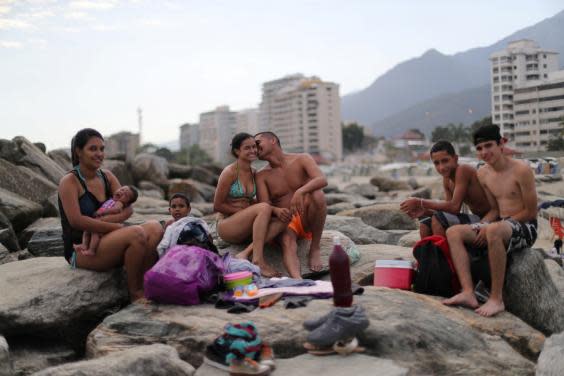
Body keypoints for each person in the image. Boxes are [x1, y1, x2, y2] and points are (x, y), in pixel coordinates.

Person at [58, 128, 164, 302]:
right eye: (93, 149)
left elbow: (128, 209)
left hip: (109, 239)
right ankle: (135, 293)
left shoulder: (107, 176)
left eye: (102, 149)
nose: (99, 154)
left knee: (154, 227)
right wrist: (115, 226)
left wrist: (108, 222)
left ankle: (147, 284)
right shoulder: (69, 182)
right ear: (78, 151)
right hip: (82, 250)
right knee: (136, 233)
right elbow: (76, 221)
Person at [443, 125, 538, 317]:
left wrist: (493, 227)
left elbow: (531, 211)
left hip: (526, 226)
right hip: (499, 224)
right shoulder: (483, 174)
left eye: (489, 146)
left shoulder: (522, 170)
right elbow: (494, 209)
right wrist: (482, 225)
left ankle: (496, 299)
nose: (484, 152)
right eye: (479, 148)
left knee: (494, 230)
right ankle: (468, 292)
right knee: (454, 232)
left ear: (501, 143)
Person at [254, 131, 328, 279]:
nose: (255, 148)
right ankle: (298, 281)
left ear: (273, 140)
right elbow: (264, 205)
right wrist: (277, 210)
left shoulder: (302, 159)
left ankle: (314, 248)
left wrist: (300, 191)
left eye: (258, 143)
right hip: (285, 223)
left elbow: (322, 179)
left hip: (306, 218)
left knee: (318, 195)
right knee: (288, 241)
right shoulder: (261, 175)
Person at [213, 133, 286, 277]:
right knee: (265, 207)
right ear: (237, 151)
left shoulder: (254, 173)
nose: (253, 150)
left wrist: (277, 210)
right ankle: (258, 260)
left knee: (284, 218)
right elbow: (217, 205)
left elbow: (255, 203)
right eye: (247, 148)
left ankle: (245, 253)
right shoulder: (229, 172)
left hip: (245, 226)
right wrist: (239, 210)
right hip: (227, 225)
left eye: (254, 146)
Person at [400, 140, 491, 238]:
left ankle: (442, 252)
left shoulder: (463, 170)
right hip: (477, 218)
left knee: (438, 219)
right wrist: (425, 211)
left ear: (455, 158)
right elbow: (450, 211)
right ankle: (431, 251)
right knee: (425, 222)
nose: (441, 167)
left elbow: (454, 207)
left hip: (489, 219)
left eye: (445, 161)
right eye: (436, 163)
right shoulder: (446, 179)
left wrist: (420, 202)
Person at [74, 185, 139, 256]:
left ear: (126, 203)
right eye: (122, 189)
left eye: (126, 195)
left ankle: (92, 250)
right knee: (87, 230)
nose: (122, 192)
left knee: (95, 233)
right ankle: (84, 245)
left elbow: (116, 210)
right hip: (98, 220)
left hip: (105, 224)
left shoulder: (119, 203)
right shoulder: (111, 199)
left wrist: (103, 212)